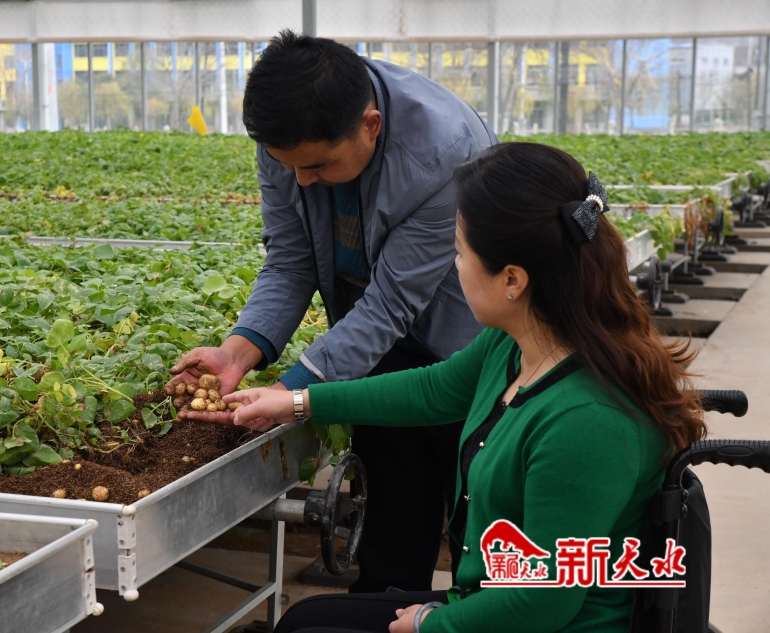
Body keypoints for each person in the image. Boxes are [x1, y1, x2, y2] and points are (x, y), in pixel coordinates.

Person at [221, 142, 706, 633]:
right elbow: (433, 390)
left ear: (512, 279)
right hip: (485, 599)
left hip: (549, 624)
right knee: (304, 619)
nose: (454, 265)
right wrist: (298, 401)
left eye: (459, 251)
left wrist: (432, 624)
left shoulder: (587, 422)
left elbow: (543, 602)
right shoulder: (515, 344)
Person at [168, 31, 497, 592]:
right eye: (287, 164)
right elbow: (291, 259)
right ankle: (387, 604)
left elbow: (392, 301)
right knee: (395, 503)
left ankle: (477, 608)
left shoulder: (444, 152)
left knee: (476, 504)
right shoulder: (291, 135)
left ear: (371, 126)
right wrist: (236, 353)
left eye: (318, 166)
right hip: (370, 338)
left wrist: (294, 391)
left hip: (461, 335)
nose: (300, 179)